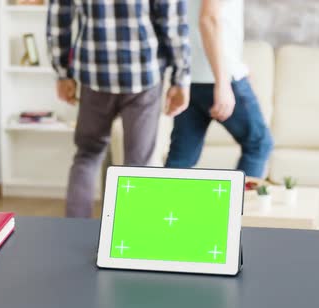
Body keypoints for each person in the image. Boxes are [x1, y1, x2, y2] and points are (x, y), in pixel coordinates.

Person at [47, 0, 192, 218]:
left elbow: (60, 16)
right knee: (138, 165)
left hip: (94, 73)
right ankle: (130, 243)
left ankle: (72, 234)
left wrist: (62, 73)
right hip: (143, 75)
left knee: (87, 155)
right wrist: (181, 77)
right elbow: (172, 20)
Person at [165, 0, 273, 177]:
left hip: (190, 76)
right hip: (218, 78)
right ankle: (238, 205)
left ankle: (163, 204)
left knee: (181, 158)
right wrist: (222, 82)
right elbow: (208, 19)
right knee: (259, 144)